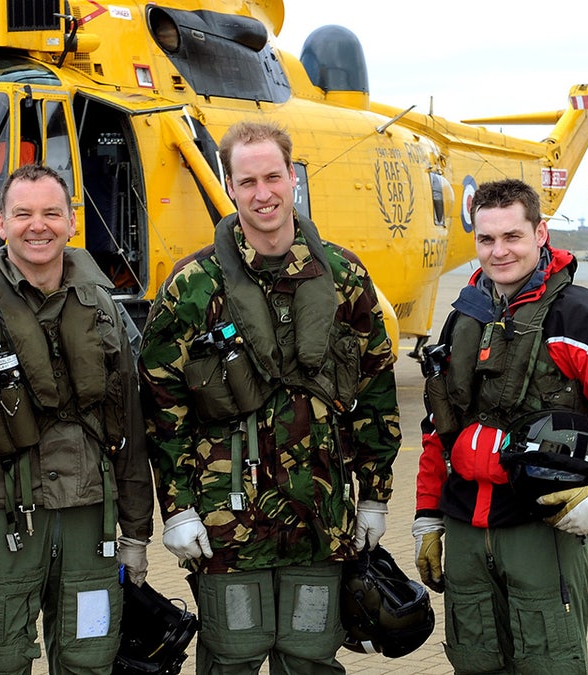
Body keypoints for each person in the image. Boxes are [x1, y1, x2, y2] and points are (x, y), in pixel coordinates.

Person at [138, 120, 402, 674]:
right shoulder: (194, 286)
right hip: (227, 527)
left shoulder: (345, 278)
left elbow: (376, 390)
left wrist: (375, 493)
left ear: (293, 180)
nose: (263, 193)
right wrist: (178, 508)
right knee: (231, 660)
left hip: (322, 519)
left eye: (273, 177)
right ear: (230, 187)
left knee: (310, 659)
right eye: (248, 180)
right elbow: (162, 406)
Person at [413, 178, 588, 673]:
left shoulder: (577, 315)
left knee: (550, 663)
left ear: (541, 232)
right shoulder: (464, 318)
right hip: (465, 527)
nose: (499, 251)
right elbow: (437, 424)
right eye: (487, 240)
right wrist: (428, 514)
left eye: (512, 236)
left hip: (541, 528)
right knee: (475, 659)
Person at [0, 164, 154, 675]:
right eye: (22, 213)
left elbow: (131, 430)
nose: (37, 226)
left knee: (90, 661)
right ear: (0, 224)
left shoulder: (106, 312)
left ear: (72, 222)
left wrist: (135, 533)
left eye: (51, 213)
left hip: (91, 520)